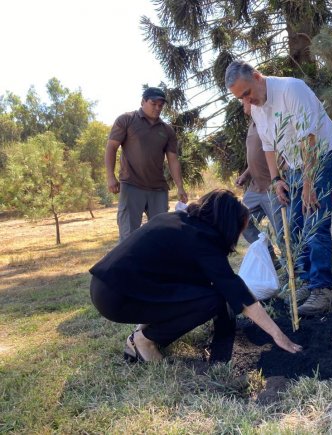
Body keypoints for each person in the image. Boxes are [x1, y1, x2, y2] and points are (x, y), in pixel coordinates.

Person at [89, 189, 302, 362]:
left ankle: (142, 330)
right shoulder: (202, 241)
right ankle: (145, 339)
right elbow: (235, 292)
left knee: (201, 289)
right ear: (228, 225)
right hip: (118, 297)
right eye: (239, 230)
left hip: (104, 287)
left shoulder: (180, 221)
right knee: (212, 299)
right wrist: (277, 334)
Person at [225, 60, 332, 316]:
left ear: (257, 76)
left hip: (322, 156)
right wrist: (277, 179)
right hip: (295, 166)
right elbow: (269, 147)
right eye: (240, 98)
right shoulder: (257, 107)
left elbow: (309, 140)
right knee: (293, 224)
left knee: (314, 220)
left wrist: (309, 184)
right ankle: (304, 282)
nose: (247, 102)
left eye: (247, 93)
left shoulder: (292, 89)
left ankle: (321, 289)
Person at [105, 87, 188, 242]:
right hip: (131, 185)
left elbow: (173, 159)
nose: (157, 108)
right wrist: (110, 176)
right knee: (129, 237)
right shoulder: (126, 120)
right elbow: (111, 147)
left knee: (162, 236)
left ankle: (157, 266)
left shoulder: (167, 130)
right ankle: (129, 266)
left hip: (158, 189)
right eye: (153, 103)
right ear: (143, 101)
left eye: (161, 105)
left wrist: (180, 186)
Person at [235, 100, 283, 268]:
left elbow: (277, 151)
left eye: (245, 101)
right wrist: (245, 174)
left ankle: (294, 269)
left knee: (282, 232)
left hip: (272, 188)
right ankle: (270, 257)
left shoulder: (269, 120)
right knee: (239, 219)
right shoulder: (252, 125)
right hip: (255, 188)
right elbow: (256, 156)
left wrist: (278, 180)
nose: (243, 104)